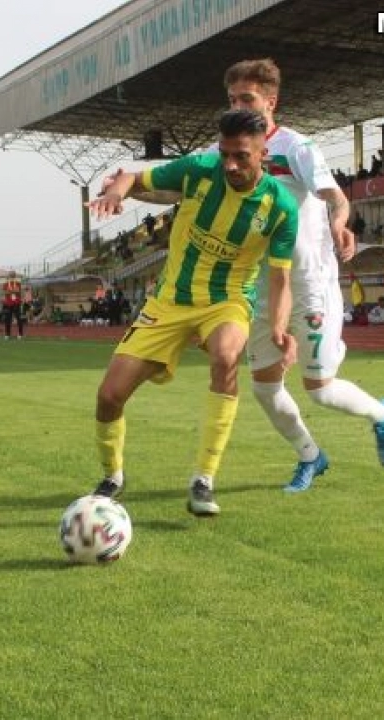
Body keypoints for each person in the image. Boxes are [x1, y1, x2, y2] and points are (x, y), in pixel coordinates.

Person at [88, 108, 298, 517]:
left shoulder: (281, 207)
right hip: (169, 301)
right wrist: (117, 193)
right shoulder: (199, 168)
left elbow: (280, 279)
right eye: (225, 154)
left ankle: (204, 478)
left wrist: (278, 328)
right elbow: (133, 178)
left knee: (225, 356)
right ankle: (113, 475)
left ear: (263, 153)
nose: (230, 164)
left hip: (227, 301)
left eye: (241, 156)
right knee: (109, 396)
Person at [218, 58, 384, 492]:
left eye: (247, 99)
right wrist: (128, 185)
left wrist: (339, 221)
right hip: (262, 288)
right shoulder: (225, 150)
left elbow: (335, 197)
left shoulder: (296, 147)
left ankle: (381, 414)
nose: (238, 107)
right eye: (232, 100)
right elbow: (177, 180)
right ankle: (310, 456)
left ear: (271, 102)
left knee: (319, 388)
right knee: (264, 389)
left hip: (309, 283)